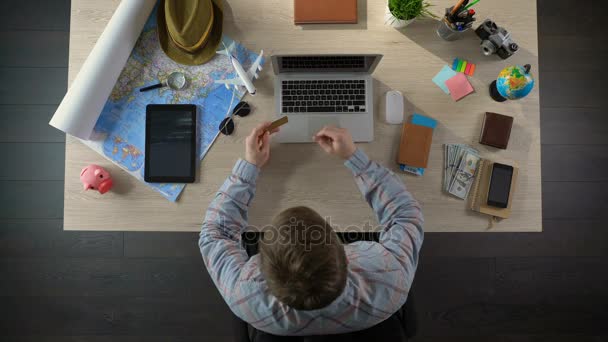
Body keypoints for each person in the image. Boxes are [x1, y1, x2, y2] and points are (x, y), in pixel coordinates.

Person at [199, 122, 424, 337]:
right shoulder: (392, 277)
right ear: (345, 252)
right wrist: (355, 159)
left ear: (260, 264)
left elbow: (215, 233)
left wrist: (249, 166)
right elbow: (405, 214)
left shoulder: (243, 296)